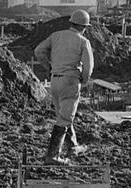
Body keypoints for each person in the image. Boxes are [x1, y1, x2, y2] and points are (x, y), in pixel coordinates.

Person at [33, 9, 94, 165]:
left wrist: (48, 66)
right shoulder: (83, 41)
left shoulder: (56, 36)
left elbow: (38, 50)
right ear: (84, 27)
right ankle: (53, 155)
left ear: (71, 23)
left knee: (64, 115)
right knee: (65, 118)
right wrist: (84, 79)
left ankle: (73, 145)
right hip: (70, 82)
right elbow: (88, 66)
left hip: (55, 81)